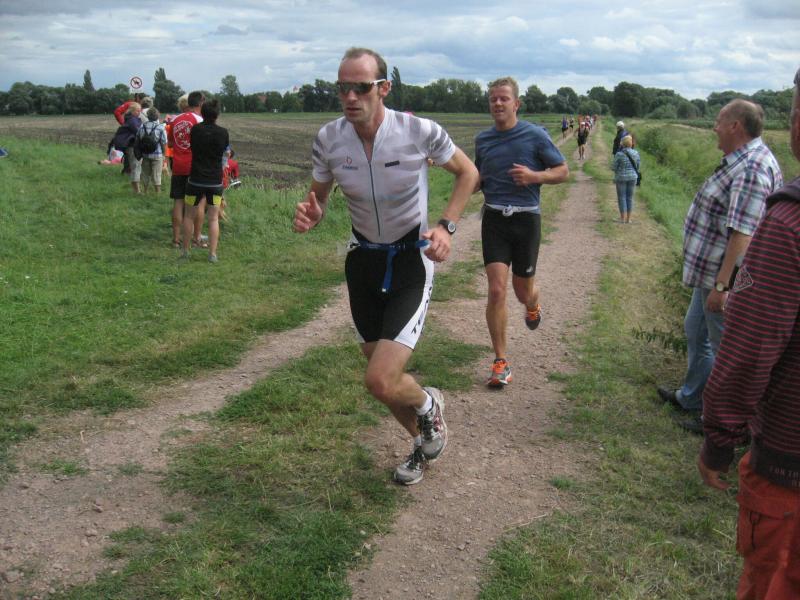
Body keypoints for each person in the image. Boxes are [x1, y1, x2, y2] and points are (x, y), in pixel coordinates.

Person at [293, 47, 479, 485]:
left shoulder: (418, 131)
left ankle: (429, 405)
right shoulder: (329, 139)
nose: (350, 97)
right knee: (384, 379)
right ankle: (422, 439)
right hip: (363, 262)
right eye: (343, 87)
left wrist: (446, 226)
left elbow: (468, 173)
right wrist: (313, 212)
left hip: (411, 257)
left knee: (379, 379)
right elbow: (318, 196)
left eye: (361, 87)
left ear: (384, 88)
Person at [697, 66, 800, 600]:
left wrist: (719, 440)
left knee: (775, 581)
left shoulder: (788, 224)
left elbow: (751, 350)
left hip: (789, 463)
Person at [656, 99, 783, 432]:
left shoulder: (752, 168)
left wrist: (723, 286)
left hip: (723, 279)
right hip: (711, 275)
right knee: (696, 330)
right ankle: (692, 397)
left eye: (718, 121)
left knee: (726, 349)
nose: (714, 127)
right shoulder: (742, 161)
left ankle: (721, 421)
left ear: (735, 126)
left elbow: (743, 234)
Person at [474, 77, 568, 388]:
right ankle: (500, 361)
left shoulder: (535, 135)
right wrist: (451, 170)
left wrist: (534, 176)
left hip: (526, 219)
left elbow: (562, 171)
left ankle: (532, 304)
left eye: (503, 98)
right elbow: (477, 180)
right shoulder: (483, 140)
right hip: (495, 219)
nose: (497, 103)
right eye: (493, 99)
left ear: (516, 104)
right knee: (496, 290)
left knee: (522, 292)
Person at [182, 99, 229, 263]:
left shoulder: (195, 130)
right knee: (214, 218)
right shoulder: (223, 133)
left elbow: (192, 147)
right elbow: (226, 152)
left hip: (195, 181)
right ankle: (212, 254)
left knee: (188, 216)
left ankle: (185, 251)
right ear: (217, 115)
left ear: (202, 113)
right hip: (215, 183)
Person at [168, 91, 205, 249]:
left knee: (178, 202)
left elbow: (170, 143)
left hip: (177, 166)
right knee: (198, 203)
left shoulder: (175, 120)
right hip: (194, 167)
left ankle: (176, 239)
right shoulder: (199, 120)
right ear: (200, 103)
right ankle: (196, 238)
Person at [136, 107, 167, 194]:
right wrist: (164, 154)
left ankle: (145, 191)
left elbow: (138, 138)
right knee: (157, 174)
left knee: (146, 173)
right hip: (157, 155)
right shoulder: (160, 127)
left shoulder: (142, 126)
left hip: (145, 154)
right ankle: (158, 192)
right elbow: (164, 142)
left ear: (148, 116)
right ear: (157, 116)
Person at [612, 135, 640, 223]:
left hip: (621, 177)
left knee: (622, 198)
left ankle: (622, 219)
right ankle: (629, 219)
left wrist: (618, 170)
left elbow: (613, 167)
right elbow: (638, 166)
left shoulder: (619, 154)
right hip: (633, 177)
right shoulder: (636, 153)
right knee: (630, 198)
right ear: (631, 144)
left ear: (622, 144)